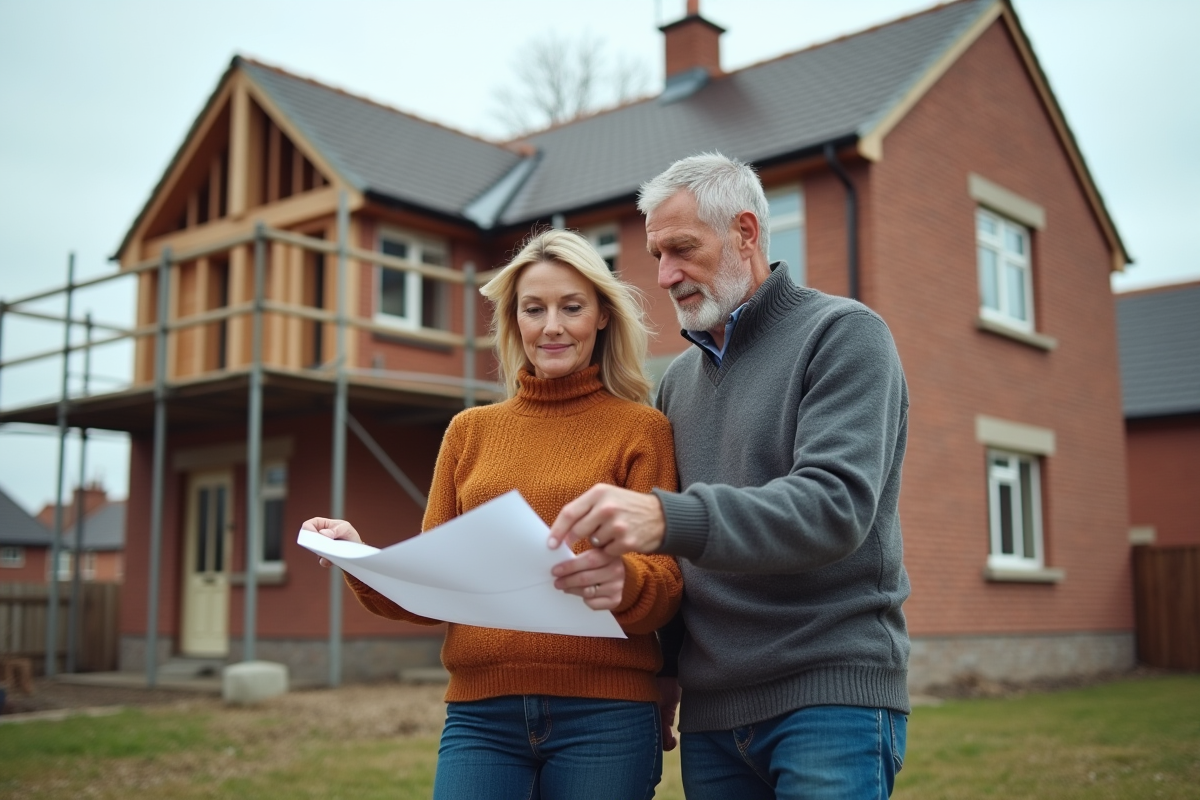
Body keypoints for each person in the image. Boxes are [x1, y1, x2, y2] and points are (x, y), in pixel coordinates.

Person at [547, 152, 911, 800]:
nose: (664, 276)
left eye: (682, 249)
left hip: (829, 696)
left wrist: (667, 516)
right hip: (712, 715)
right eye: (657, 254)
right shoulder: (677, 384)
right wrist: (664, 672)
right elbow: (680, 569)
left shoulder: (845, 336)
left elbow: (834, 508)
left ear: (746, 232)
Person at [303, 229, 681, 800]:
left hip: (606, 714)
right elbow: (435, 585)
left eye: (571, 307)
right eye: (534, 309)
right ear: (516, 320)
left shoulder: (642, 429)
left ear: (602, 316)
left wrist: (621, 578)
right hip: (481, 718)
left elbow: (667, 589)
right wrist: (361, 555)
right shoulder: (468, 432)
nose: (551, 325)